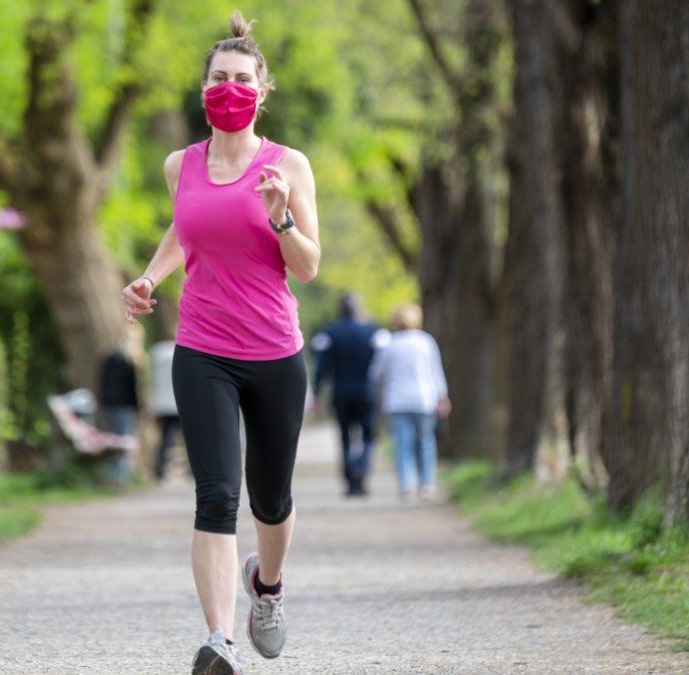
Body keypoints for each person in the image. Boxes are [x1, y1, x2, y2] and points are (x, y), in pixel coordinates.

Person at [120, 11, 321, 674]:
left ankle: (268, 584)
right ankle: (219, 640)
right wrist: (148, 278)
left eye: (241, 78)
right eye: (218, 78)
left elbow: (309, 266)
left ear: (262, 92)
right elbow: (185, 229)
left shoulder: (287, 164)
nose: (228, 87)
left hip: (274, 352)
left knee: (271, 498)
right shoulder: (180, 164)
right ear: (202, 86)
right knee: (215, 495)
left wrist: (281, 217)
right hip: (202, 348)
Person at [368, 303, 451, 503]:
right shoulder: (426, 341)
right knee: (426, 442)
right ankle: (427, 484)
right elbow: (436, 371)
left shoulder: (390, 344)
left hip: (397, 401)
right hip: (424, 399)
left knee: (403, 444)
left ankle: (406, 485)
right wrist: (442, 396)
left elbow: (375, 374)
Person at [309, 292, 388, 497]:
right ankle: (361, 471)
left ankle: (350, 480)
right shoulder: (373, 332)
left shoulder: (330, 333)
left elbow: (322, 366)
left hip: (341, 392)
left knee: (344, 437)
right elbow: (381, 364)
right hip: (367, 392)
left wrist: (317, 391)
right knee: (368, 436)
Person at [98, 334, 140, 484]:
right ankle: (121, 475)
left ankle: (113, 473)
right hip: (124, 406)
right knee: (124, 439)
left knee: (112, 439)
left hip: (108, 405)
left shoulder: (108, 360)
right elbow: (131, 388)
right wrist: (137, 408)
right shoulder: (127, 363)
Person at [149, 333, 181, 482]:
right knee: (189, 438)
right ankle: (193, 470)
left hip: (162, 404)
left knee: (166, 438)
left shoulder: (156, 353)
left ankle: (160, 470)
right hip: (178, 402)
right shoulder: (180, 351)